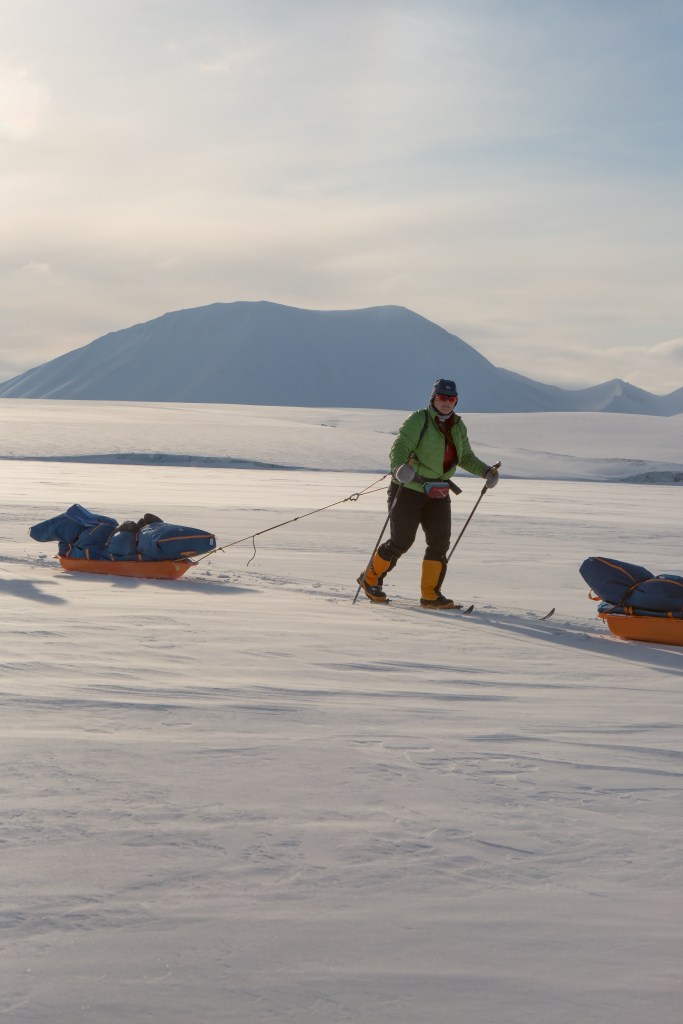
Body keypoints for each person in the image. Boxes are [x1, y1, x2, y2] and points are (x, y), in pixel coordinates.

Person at [357, 378, 499, 608]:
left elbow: (465, 457)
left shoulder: (458, 426)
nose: (446, 402)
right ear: (433, 398)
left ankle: (430, 595)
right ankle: (370, 579)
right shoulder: (419, 419)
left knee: (439, 543)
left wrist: (486, 472)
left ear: (456, 401)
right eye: (442, 397)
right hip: (409, 488)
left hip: (439, 491)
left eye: (451, 398)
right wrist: (399, 468)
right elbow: (400, 447)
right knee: (401, 541)